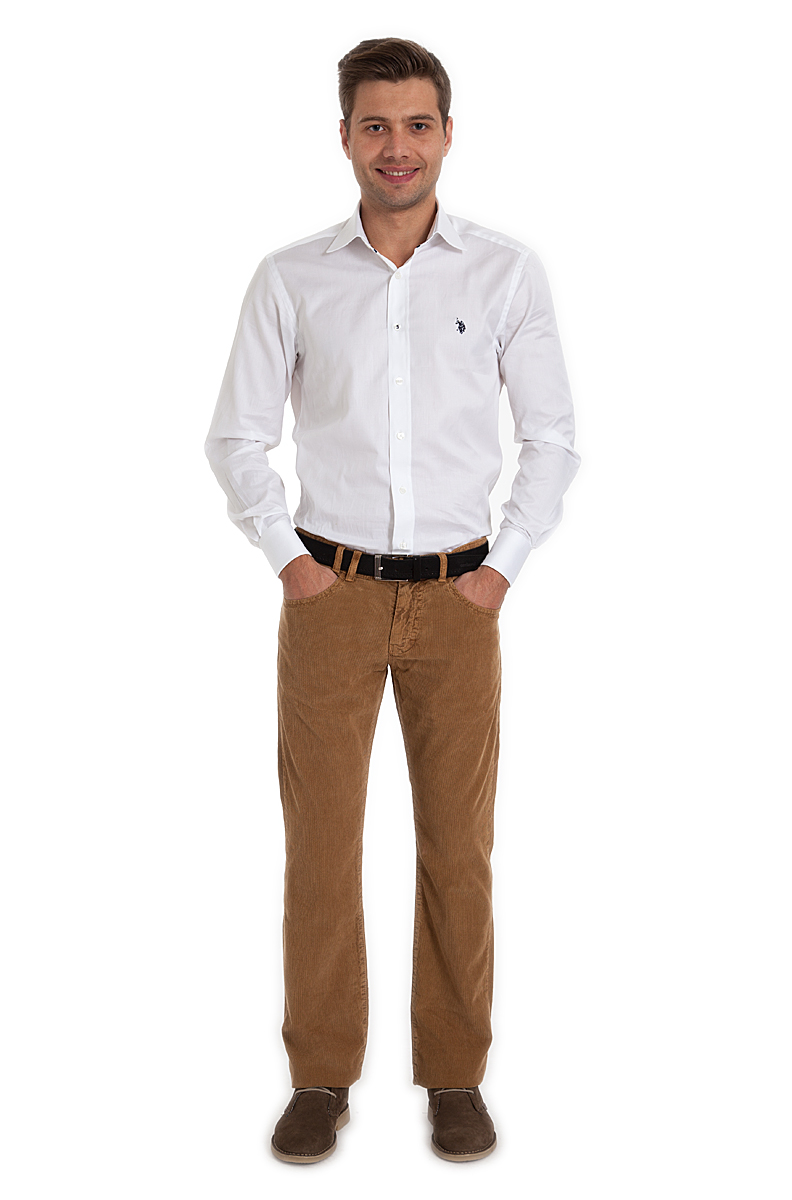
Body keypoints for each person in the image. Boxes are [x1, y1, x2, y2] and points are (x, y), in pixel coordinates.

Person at [204, 37, 580, 1164]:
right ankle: (319, 1075)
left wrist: (501, 568)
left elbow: (552, 438)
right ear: (344, 137)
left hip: (461, 600)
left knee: (458, 847)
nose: (397, 146)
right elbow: (236, 437)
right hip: (331, 595)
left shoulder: (505, 273)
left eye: (417, 124)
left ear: (448, 134)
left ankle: (455, 1077)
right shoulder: (291, 277)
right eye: (375, 125)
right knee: (320, 846)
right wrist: (291, 562)